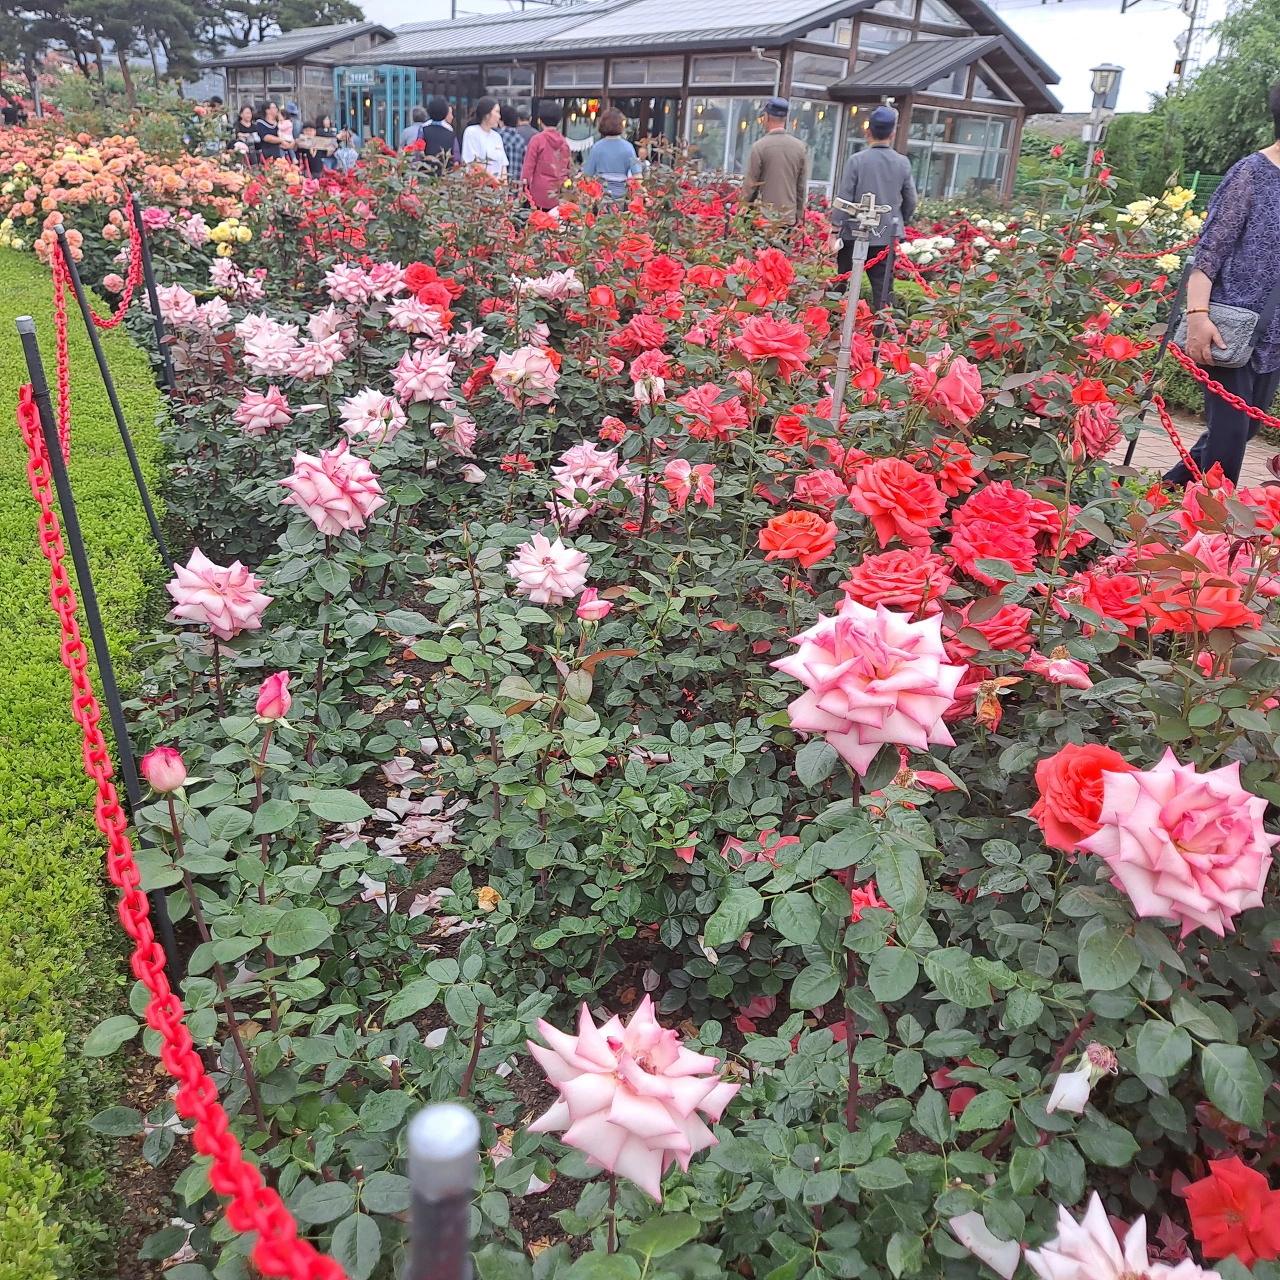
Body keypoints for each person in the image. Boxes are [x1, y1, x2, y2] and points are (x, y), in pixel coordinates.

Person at [1166, 81, 1280, 487]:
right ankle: (1213, 519)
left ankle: (1165, 492)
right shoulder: (1252, 172)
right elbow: (1210, 251)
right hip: (1228, 326)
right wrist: (1198, 317)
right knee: (1230, 437)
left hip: (1274, 336)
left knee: (1246, 428)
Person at [829, 105, 917, 306]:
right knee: (883, 291)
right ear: (892, 134)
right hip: (885, 236)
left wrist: (834, 231)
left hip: (853, 233)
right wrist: (897, 220)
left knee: (842, 285)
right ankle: (885, 325)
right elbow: (910, 200)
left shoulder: (856, 161)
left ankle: (832, 321)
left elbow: (844, 198)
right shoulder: (902, 162)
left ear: (868, 132)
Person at [741, 97, 809, 225]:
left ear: (766, 117)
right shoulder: (800, 148)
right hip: (788, 219)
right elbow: (801, 187)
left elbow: (750, 185)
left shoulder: (760, 147)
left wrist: (742, 214)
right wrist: (797, 216)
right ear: (786, 118)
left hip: (763, 219)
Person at [582, 107, 642, 202]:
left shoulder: (597, 147)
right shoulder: (628, 147)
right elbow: (637, 175)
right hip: (621, 193)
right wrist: (645, 194)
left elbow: (587, 175)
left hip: (601, 193)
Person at [521, 101, 572, 211]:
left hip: (538, 194)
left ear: (540, 120)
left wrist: (523, 189)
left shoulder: (537, 140)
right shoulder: (564, 143)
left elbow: (528, 168)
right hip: (559, 194)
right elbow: (568, 169)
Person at [461, 97, 507, 179]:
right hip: (479, 184)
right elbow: (473, 162)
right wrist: (494, 180)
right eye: (497, 112)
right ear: (487, 114)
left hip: (498, 185)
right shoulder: (471, 132)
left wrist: (504, 181)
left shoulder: (497, 136)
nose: (499, 116)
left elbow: (503, 164)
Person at [418, 97, 460, 172]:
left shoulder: (423, 130)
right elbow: (456, 158)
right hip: (445, 174)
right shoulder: (451, 133)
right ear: (445, 112)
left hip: (425, 173)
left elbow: (418, 153)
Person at [498, 104, 527, 191]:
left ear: (501, 121)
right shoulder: (521, 140)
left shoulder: (497, 137)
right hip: (516, 185)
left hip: (500, 183)